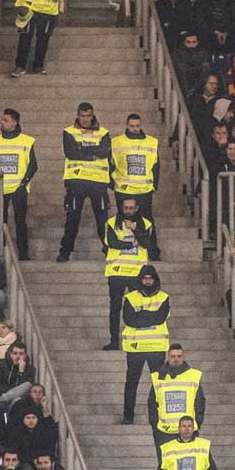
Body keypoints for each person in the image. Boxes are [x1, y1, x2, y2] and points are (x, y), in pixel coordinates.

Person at [56, 102, 110, 262]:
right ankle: (65, 252)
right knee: (72, 219)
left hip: (98, 181)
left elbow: (104, 152)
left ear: (92, 116)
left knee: (102, 220)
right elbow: (71, 153)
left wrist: (82, 148)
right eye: (82, 116)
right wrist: (93, 153)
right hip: (76, 181)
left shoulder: (104, 132)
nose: (85, 119)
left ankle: (109, 251)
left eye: (88, 116)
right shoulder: (68, 131)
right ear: (77, 116)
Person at [103, 197, 156, 351]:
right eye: (125, 208)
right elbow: (112, 243)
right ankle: (114, 341)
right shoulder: (112, 223)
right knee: (115, 308)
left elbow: (147, 243)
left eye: (131, 208)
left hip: (137, 274)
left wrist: (134, 229)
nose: (128, 211)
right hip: (117, 273)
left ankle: (136, 340)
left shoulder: (145, 223)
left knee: (136, 308)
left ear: (137, 209)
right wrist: (131, 243)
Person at [0, 109, 38, 261]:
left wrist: (24, 183)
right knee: (0, 222)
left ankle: (23, 254)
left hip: (19, 188)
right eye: (2, 119)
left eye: (5, 120)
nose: (2, 122)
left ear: (15, 123)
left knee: (20, 222)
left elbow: (33, 165)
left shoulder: (27, 141)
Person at [121, 265, 170, 425]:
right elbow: (129, 320)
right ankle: (128, 415)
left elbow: (160, 318)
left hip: (156, 348)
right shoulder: (130, 297)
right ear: (140, 280)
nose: (147, 281)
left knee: (159, 384)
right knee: (131, 383)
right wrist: (151, 316)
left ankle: (158, 415)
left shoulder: (164, 297)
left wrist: (141, 314)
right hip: (136, 348)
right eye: (145, 278)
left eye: (150, 278)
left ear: (155, 280)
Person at [110, 113, 160, 257]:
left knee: (147, 221)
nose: (134, 129)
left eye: (137, 126)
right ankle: (120, 250)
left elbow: (156, 166)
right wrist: (112, 183)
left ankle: (152, 251)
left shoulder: (151, 142)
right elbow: (110, 164)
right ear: (127, 125)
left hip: (144, 190)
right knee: (122, 222)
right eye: (132, 126)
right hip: (123, 189)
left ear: (141, 125)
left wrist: (154, 185)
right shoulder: (117, 142)